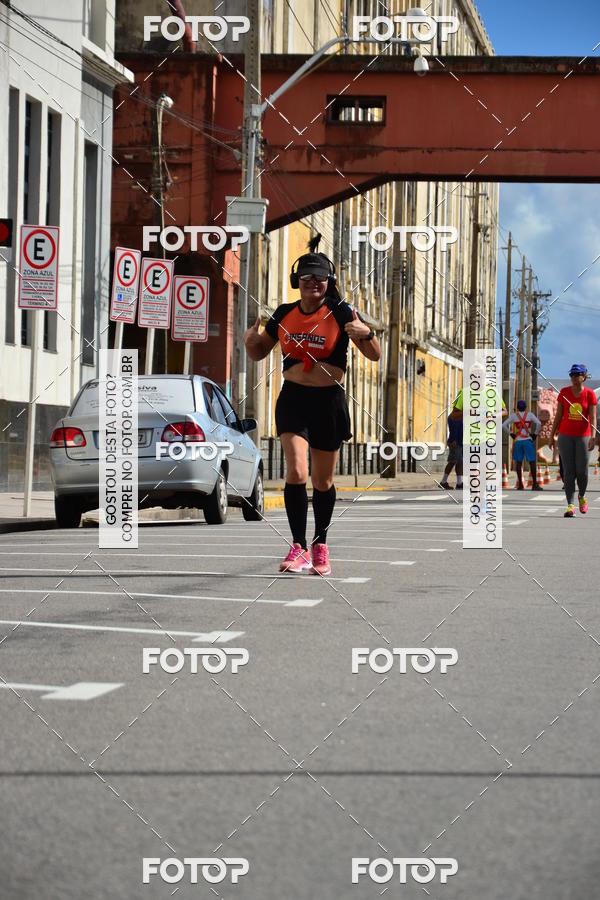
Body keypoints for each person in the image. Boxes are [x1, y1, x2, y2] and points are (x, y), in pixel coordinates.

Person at [243, 252, 380, 575]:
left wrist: (367, 334)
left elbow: (374, 356)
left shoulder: (340, 311)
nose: (313, 284)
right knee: (297, 470)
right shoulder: (283, 314)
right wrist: (249, 341)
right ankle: (298, 546)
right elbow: (259, 351)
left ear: (328, 282)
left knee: (323, 480)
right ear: (297, 283)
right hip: (293, 399)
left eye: (319, 278)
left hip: (328, 403)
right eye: (306, 278)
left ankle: (320, 545)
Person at [549, 363, 597, 517]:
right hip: (565, 436)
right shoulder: (564, 393)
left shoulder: (590, 394)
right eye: (572, 375)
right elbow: (558, 416)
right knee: (569, 472)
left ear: (584, 376)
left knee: (582, 471)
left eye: (577, 375)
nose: (574, 378)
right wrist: (552, 436)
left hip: (583, 436)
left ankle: (582, 496)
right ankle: (570, 505)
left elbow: (593, 417)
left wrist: (593, 436)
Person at [503, 400, 543, 490]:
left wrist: (511, 434)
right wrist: (535, 434)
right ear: (525, 407)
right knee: (532, 462)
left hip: (518, 441)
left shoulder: (514, 416)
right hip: (527, 440)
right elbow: (539, 423)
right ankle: (534, 484)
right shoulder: (530, 415)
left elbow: (503, 425)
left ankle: (520, 484)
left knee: (518, 462)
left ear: (517, 407)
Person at [440, 414, 463, 490]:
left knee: (459, 462)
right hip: (455, 442)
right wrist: (454, 440)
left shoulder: (459, 415)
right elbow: (455, 429)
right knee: (452, 461)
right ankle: (443, 482)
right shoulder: (456, 416)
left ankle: (459, 483)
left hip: (459, 442)